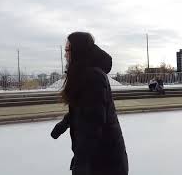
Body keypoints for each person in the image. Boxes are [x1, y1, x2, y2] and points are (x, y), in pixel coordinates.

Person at [51, 32, 128, 175]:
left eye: (67, 50)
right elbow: (83, 109)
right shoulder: (84, 74)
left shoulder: (92, 77)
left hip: (105, 160)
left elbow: (94, 122)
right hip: (99, 157)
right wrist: (63, 124)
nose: (65, 54)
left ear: (78, 50)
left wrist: (82, 162)